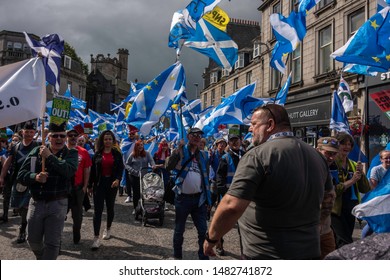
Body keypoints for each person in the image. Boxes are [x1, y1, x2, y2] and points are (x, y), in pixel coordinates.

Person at [203, 104, 332, 259]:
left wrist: (211, 238)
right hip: (308, 252)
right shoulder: (317, 156)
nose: (250, 129)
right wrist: (316, 225)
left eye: (254, 124)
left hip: (266, 255)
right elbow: (329, 197)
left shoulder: (257, 155)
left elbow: (231, 206)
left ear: (270, 125)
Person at [17, 122, 78, 259]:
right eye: (55, 136)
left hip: (58, 203)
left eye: (62, 136)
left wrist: (50, 156)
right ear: (48, 137)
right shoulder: (36, 151)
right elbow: (21, 175)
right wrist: (35, 177)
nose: (59, 139)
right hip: (36, 202)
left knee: (52, 243)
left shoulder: (71, 153)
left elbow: (68, 171)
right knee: (32, 239)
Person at [166, 127, 211, 260]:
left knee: (203, 231)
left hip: (199, 200)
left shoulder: (203, 155)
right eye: (194, 135)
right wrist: (176, 150)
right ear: (188, 136)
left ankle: (203, 258)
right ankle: (177, 257)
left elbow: (205, 179)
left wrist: (208, 200)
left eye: (199, 135)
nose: (197, 137)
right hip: (182, 199)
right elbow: (168, 166)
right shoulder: (181, 151)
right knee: (179, 230)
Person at [0, 121, 38, 242]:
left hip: (32, 180)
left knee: (26, 205)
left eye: (31, 132)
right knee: (18, 205)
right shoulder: (15, 146)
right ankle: (24, 221)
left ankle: (23, 228)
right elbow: (8, 162)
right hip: (17, 179)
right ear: (22, 132)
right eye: (27, 132)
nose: (28, 134)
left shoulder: (38, 145)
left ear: (34, 133)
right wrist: (2, 176)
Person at [330, 132, 370, 248]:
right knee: (345, 242)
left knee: (341, 240)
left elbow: (365, 188)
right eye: (343, 144)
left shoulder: (353, 164)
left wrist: (361, 174)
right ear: (337, 145)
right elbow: (332, 190)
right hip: (336, 210)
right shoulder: (331, 165)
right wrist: (351, 181)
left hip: (351, 209)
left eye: (349, 144)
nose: (347, 147)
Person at [88, 130, 123, 250]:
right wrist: (89, 186)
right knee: (97, 211)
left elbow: (120, 169)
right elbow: (93, 171)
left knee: (110, 208)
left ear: (113, 141)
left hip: (112, 184)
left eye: (110, 139)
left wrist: (118, 179)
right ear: (102, 141)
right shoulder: (97, 154)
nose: (108, 141)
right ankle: (96, 238)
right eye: (106, 139)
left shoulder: (117, 154)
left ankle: (108, 228)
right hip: (99, 184)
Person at [214, 134, 244, 256]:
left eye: (236, 140)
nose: (235, 142)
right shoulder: (225, 158)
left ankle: (245, 249)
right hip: (228, 195)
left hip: (243, 196)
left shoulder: (246, 155)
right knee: (222, 222)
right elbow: (220, 176)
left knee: (244, 226)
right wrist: (222, 192)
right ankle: (219, 244)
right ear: (229, 144)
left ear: (240, 141)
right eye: (232, 141)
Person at [66, 127, 92, 244]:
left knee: (77, 217)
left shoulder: (83, 152)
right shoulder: (61, 151)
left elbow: (87, 170)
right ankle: (57, 241)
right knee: (59, 215)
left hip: (78, 188)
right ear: (66, 137)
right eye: (70, 135)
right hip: (63, 189)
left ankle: (76, 233)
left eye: (74, 136)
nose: (72, 137)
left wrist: (85, 186)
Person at [316, 137, 339, 259]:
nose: (331, 157)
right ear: (317, 150)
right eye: (327, 153)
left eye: (334, 154)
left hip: (326, 231)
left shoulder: (333, 168)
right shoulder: (308, 168)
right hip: (310, 231)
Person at [361, 149, 390, 238]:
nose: (388, 160)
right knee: (374, 222)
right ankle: (363, 240)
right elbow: (374, 187)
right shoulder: (376, 170)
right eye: (386, 158)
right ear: (381, 159)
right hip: (379, 199)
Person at [125, 140, 155, 215]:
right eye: (138, 145)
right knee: (136, 192)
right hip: (134, 175)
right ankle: (135, 208)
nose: (140, 146)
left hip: (144, 175)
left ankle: (143, 207)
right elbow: (127, 165)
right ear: (136, 147)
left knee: (144, 192)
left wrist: (153, 165)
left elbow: (151, 161)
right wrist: (133, 171)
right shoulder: (132, 154)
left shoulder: (147, 153)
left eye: (142, 145)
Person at [208, 138, 227, 219]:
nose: (221, 145)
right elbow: (208, 163)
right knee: (212, 197)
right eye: (220, 144)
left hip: (223, 181)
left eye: (223, 144)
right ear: (216, 145)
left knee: (221, 199)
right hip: (214, 180)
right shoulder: (213, 154)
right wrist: (210, 156)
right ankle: (207, 211)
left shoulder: (226, 155)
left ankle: (218, 215)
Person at [120, 126, 138, 202]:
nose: (131, 136)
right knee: (128, 180)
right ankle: (129, 195)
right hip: (127, 163)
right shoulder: (125, 141)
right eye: (130, 134)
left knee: (135, 180)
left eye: (133, 134)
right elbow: (122, 150)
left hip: (136, 164)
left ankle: (135, 194)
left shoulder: (137, 142)